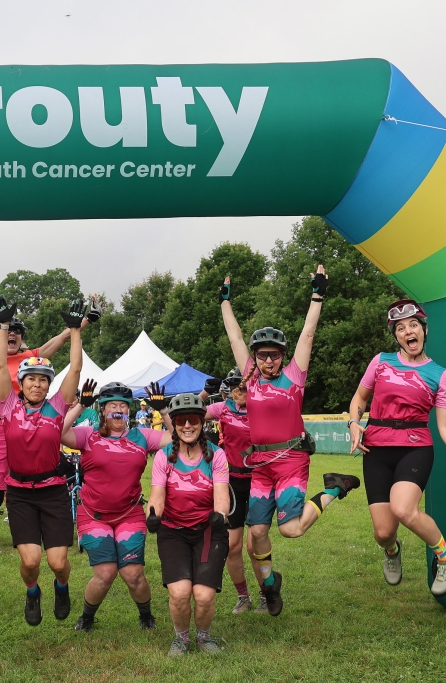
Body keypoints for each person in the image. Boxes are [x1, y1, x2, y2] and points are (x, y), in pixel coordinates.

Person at [219, 268, 358, 616]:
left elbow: (308, 334)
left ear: (282, 356)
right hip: (260, 468)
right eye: (262, 355)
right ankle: (269, 587)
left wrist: (317, 297)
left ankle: (336, 488)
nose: (268, 361)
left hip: (292, 461)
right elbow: (234, 337)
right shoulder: (249, 378)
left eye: (274, 355)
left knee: (292, 529)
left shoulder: (294, 377)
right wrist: (224, 301)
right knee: (258, 534)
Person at [0, 275, 100, 556]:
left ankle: (41, 506)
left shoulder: (32, 359)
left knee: (35, 470)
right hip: (3, 421)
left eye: (17, 331)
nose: (12, 334)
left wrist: (88, 320)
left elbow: (64, 337)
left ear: (22, 338)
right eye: (8, 329)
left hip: (36, 422)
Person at [348, 300, 446, 595]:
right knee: (383, 533)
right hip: (376, 449)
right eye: (401, 328)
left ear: (424, 330)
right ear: (396, 336)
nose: (408, 332)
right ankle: (392, 551)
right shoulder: (381, 361)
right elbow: (359, 399)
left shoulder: (440, 375)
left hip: (414, 447)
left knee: (404, 509)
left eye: (413, 325)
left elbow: (445, 425)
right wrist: (354, 422)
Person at [0, 295, 84, 626]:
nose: (36, 383)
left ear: (48, 384)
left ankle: (62, 587)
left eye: (43, 379)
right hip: (19, 493)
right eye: (31, 378)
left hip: (53, 491)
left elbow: (75, 368)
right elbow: (1, 364)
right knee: (30, 562)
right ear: (23, 382)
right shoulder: (8, 406)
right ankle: (33, 593)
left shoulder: (58, 407)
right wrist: (3, 326)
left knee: (59, 562)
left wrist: (75, 330)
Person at [61, 380, 170, 632]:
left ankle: (146, 616)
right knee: (106, 573)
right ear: (103, 410)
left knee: (133, 574)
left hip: (129, 514)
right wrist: (80, 406)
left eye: (123, 405)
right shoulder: (89, 436)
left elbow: (176, 437)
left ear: (129, 410)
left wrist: (163, 411)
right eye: (112, 406)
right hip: (93, 516)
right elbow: (57, 432)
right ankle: (87, 618)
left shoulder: (141, 436)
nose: (118, 410)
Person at [146, 394, 231, 656]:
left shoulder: (216, 455)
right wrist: (153, 516)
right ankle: (181, 638)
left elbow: (222, 497)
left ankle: (204, 637)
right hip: (173, 531)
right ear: (173, 422)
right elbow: (157, 496)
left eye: (192, 419)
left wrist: (220, 515)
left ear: (201, 422)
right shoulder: (163, 457)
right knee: (181, 593)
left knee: (204, 596)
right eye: (180, 420)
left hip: (208, 531)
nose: (186, 425)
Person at [204, 368, 260, 614]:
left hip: (260, 480)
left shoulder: (264, 407)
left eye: (245, 388)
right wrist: (205, 393)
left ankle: (268, 594)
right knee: (233, 545)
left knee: (255, 545)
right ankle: (244, 597)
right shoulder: (223, 407)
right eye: (236, 388)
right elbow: (188, 414)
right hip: (232, 482)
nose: (240, 393)